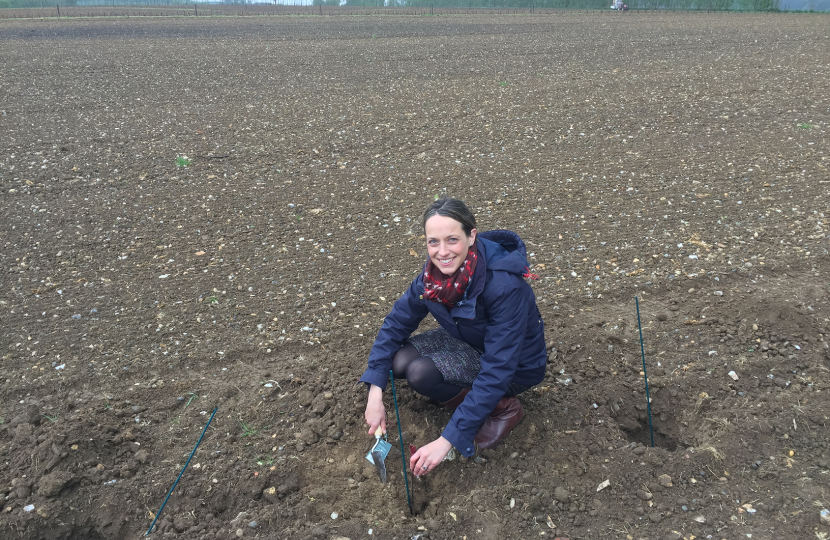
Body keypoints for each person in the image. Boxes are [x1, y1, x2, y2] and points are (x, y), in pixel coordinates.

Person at [360, 197, 547, 477]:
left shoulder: (505, 288)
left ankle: (504, 409)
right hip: (469, 339)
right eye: (433, 241)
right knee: (397, 362)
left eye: (452, 240)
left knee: (420, 373)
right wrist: (375, 392)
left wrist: (447, 440)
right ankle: (458, 390)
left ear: (471, 236)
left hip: (516, 366)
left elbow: (498, 369)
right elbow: (396, 323)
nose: (442, 251)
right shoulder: (431, 278)